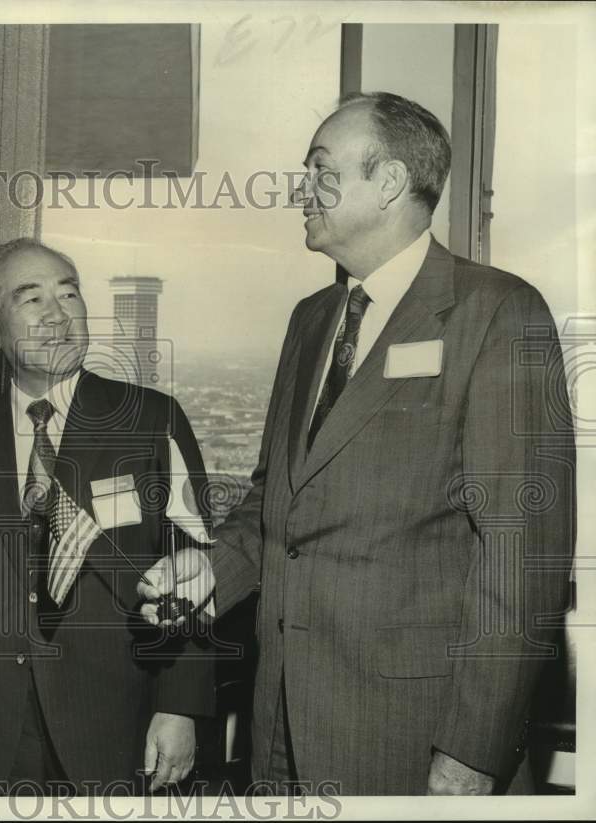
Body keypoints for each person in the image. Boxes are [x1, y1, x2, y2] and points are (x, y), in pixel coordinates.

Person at [138, 91, 575, 795]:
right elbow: (275, 501)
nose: (299, 189)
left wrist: (473, 751)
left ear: (392, 181)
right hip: (278, 725)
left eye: (320, 169)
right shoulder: (311, 320)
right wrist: (215, 570)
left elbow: (521, 561)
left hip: (415, 734)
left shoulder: (497, 312)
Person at [0, 238, 215, 795]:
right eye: (31, 299)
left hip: (116, 716)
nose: (58, 314)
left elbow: (195, 567)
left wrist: (181, 708)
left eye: (69, 294)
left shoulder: (151, 420)